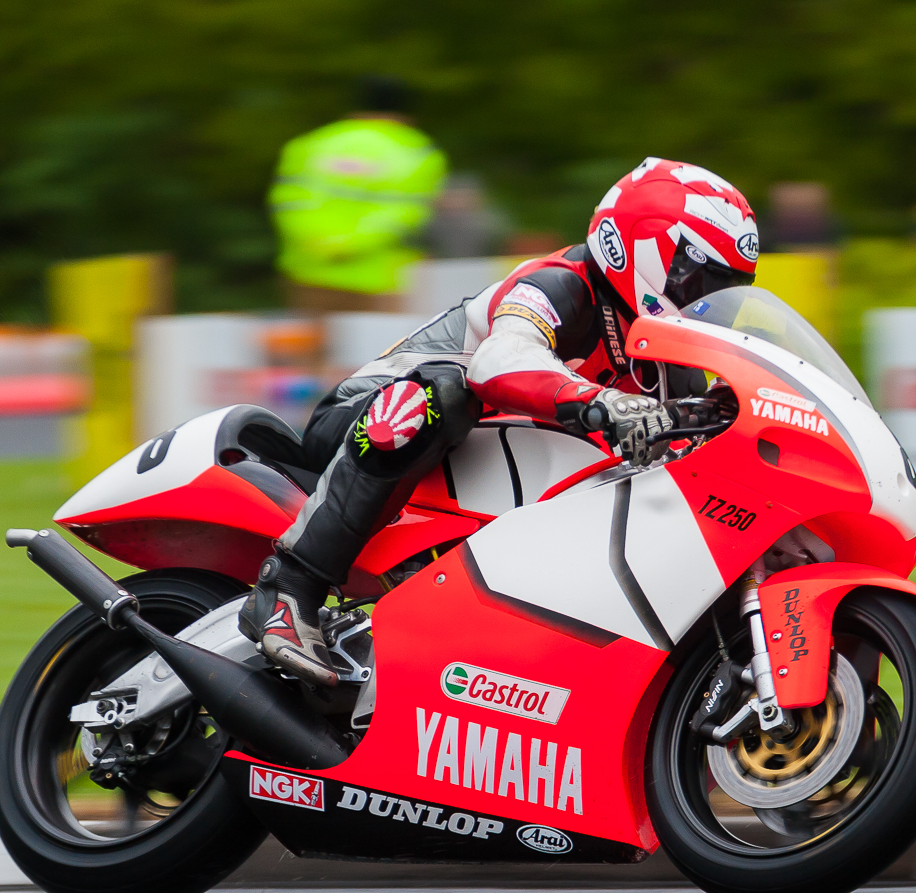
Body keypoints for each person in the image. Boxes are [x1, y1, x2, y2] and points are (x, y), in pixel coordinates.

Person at [240, 157, 761, 686]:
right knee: (439, 395)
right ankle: (289, 588)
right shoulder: (561, 284)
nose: (709, 302)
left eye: (728, 290)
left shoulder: (670, 361)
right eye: (700, 279)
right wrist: (604, 404)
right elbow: (498, 362)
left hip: (480, 475)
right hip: (365, 422)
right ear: (637, 246)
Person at [270, 76, 448, 313]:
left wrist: (322, 245)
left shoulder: (311, 144)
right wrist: (348, 247)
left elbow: (290, 202)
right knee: (387, 338)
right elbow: (406, 214)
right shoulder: (417, 151)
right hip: (386, 281)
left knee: (316, 337)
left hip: (309, 274)